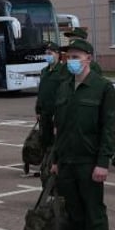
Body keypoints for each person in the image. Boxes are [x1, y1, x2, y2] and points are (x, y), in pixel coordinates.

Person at [49, 39, 115, 230]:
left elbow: (108, 128)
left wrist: (102, 163)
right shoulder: (64, 87)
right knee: (75, 212)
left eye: (76, 56)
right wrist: (56, 160)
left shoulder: (103, 87)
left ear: (89, 58)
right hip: (67, 161)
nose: (71, 61)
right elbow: (60, 128)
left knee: (93, 212)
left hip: (89, 162)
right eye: (69, 57)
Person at [35, 42, 70, 170]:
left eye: (50, 53)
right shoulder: (44, 71)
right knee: (45, 139)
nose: (48, 56)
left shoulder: (62, 71)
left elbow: (64, 93)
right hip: (44, 113)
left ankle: (56, 164)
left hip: (56, 112)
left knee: (56, 141)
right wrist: (38, 110)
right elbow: (41, 92)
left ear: (58, 55)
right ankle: (46, 164)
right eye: (46, 53)